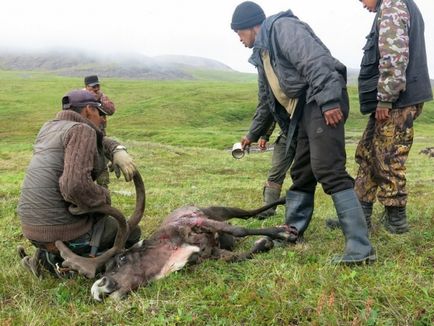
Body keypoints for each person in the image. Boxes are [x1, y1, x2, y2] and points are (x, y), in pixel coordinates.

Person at [231, 1, 375, 264]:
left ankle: (360, 248)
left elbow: (316, 60)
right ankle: (291, 231)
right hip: (304, 111)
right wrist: (253, 133)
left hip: (320, 101)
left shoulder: (282, 28)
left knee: (328, 169)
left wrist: (329, 101)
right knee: (302, 172)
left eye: (238, 33)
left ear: (251, 26)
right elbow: (267, 100)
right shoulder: (263, 54)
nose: (239, 39)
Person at [17, 90, 140, 277]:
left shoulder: (49, 127)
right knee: (130, 231)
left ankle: (48, 259)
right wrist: (104, 197)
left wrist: (116, 149)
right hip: (62, 232)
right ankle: (88, 263)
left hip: (32, 230)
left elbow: (100, 139)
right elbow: (75, 186)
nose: (102, 119)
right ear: (89, 110)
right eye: (99, 113)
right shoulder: (82, 130)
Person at [353, 0, 432, 233]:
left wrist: (386, 97)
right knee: (368, 155)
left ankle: (396, 222)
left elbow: (394, 55)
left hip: (396, 102)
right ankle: (359, 218)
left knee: (387, 160)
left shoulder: (392, 5)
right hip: (395, 100)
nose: (361, 4)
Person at [84, 75, 117, 188]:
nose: (96, 89)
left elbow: (111, 110)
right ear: (86, 86)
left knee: (101, 161)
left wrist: (99, 101)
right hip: (83, 135)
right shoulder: (80, 97)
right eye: (93, 87)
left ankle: (103, 189)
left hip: (100, 134)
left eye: (98, 86)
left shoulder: (102, 96)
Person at [255, 122, 293, 219]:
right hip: (286, 135)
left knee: (308, 174)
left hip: (310, 135)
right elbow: (273, 109)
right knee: (275, 173)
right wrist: (265, 135)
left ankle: (298, 211)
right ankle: (268, 210)